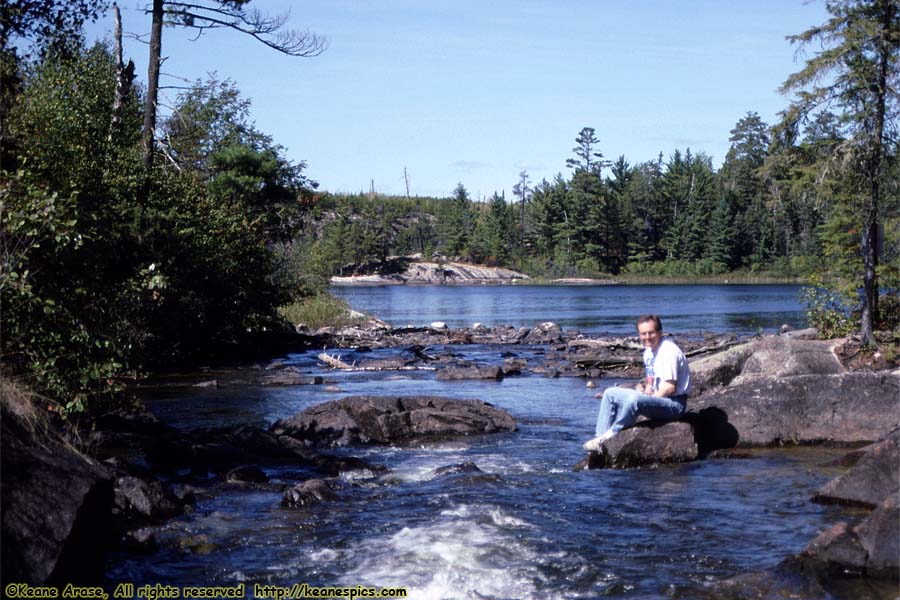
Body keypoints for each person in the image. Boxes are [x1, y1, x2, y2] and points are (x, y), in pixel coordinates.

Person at [583, 314, 691, 452]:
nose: (647, 337)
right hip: (658, 400)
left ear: (660, 332)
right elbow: (651, 380)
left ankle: (610, 436)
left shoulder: (669, 351)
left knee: (635, 400)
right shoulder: (648, 352)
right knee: (610, 393)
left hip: (674, 405)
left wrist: (647, 400)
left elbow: (670, 387)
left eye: (651, 332)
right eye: (643, 334)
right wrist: (646, 389)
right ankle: (599, 439)